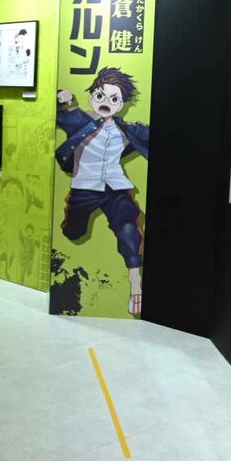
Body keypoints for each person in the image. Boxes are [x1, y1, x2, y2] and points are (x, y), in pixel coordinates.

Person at [55, 67, 149, 315]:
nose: (106, 102)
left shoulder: (127, 130)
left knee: (128, 227)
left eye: (114, 99)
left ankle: (135, 283)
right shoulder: (78, 120)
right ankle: (72, 224)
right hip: (84, 188)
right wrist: (59, 98)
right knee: (74, 232)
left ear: (121, 104)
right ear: (91, 97)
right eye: (100, 96)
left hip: (115, 187)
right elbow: (52, 114)